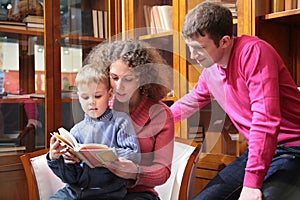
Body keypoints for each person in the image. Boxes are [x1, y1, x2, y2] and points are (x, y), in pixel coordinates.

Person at [170, 2, 300, 200]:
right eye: (190, 47)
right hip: (260, 150)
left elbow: (265, 119)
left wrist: (251, 184)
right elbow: (192, 100)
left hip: (292, 148)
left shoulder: (254, 52)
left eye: (199, 48)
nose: (192, 56)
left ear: (224, 41)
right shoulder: (210, 71)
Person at [81, 39, 175, 200]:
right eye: (114, 77)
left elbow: (163, 172)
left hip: (138, 194)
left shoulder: (161, 115)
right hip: (99, 191)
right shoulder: (101, 105)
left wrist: (135, 171)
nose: (119, 86)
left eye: (128, 79)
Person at [47, 63, 141, 199]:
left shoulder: (121, 121)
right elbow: (70, 178)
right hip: (74, 193)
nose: (91, 102)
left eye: (97, 96)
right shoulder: (76, 131)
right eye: (85, 97)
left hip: (107, 194)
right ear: (78, 97)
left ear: (109, 95)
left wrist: (104, 154)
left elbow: (134, 156)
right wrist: (56, 159)